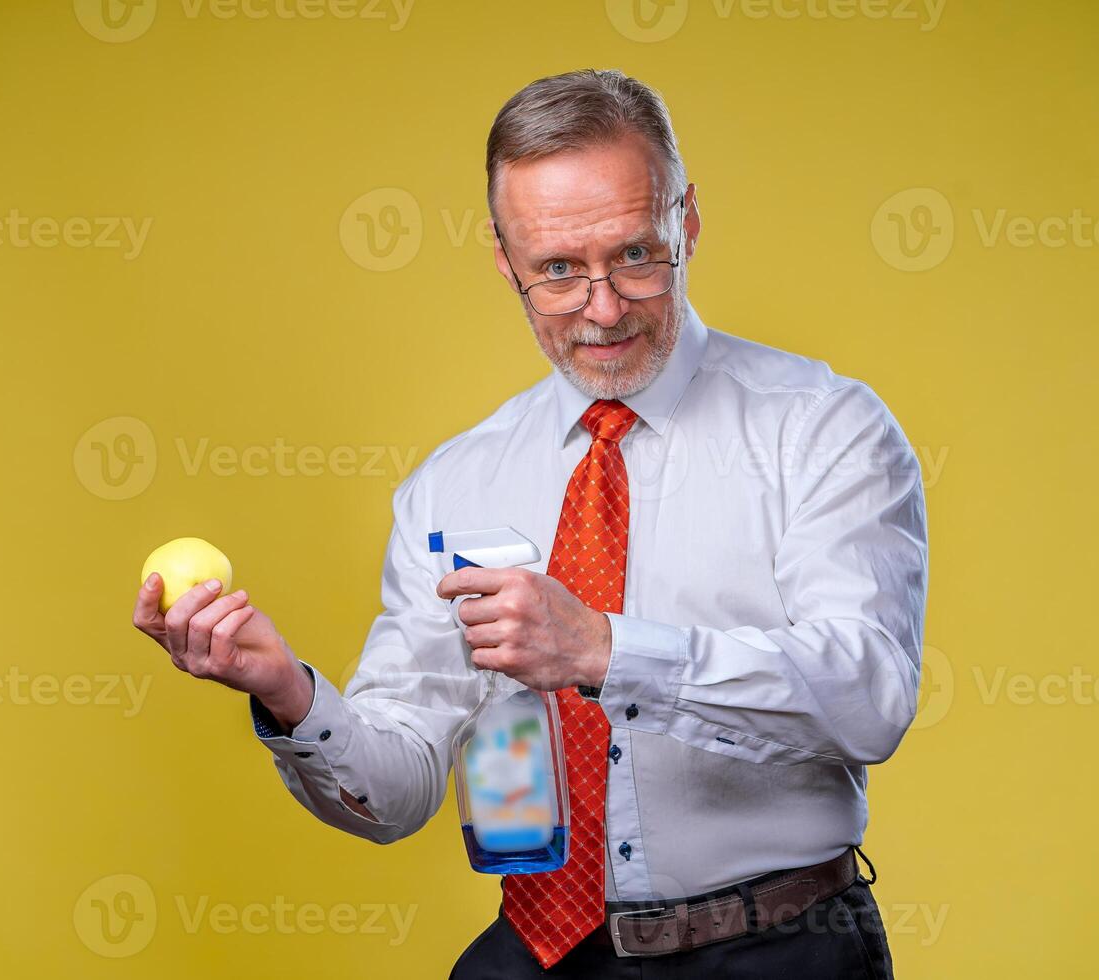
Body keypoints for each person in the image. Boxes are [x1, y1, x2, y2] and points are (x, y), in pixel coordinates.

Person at [131, 68, 927, 978]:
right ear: (504, 260)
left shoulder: (823, 428)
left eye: (635, 254)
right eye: (557, 270)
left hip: (776, 951)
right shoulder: (453, 484)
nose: (602, 307)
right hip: (542, 950)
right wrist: (284, 691)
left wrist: (603, 648)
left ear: (687, 223)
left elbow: (870, 700)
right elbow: (396, 791)